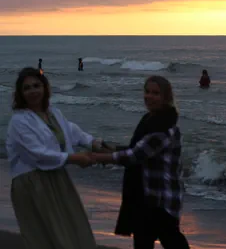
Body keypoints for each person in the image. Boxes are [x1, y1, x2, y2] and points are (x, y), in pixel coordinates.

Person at [5, 67, 104, 249]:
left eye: (36, 85)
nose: (33, 91)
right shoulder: (19, 121)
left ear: (44, 87)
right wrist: (75, 158)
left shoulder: (53, 114)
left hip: (57, 178)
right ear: (20, 93)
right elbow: (37, 154)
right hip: (32, 183)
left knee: (71, 229)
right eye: (27, 88)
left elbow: (72, 132)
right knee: (49, 235)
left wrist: (93, 143)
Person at [89, 76, 190, 249]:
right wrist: (108, 147)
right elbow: (136, 147)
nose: (149, 96)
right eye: (147, 91)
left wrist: (95, 157)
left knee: (171, 241)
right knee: (143, 241)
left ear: (166, 97)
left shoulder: (164, 128)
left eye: (156, 93)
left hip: (161, 199)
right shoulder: (150, 119)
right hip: (145, 196)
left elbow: (133, 156)